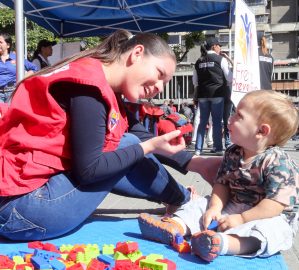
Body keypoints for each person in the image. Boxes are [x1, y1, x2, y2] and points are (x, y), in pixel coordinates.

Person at [0, 29, 222, 241]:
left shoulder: (95, 78)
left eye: (164, 83)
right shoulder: (90, 89)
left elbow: (140, 133)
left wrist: (197, 163)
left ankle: (181, 199)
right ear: (137, 53)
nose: (159, 88)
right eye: (159, 74)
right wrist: (146, 148)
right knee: (127, 146)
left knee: (128, 145)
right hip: (23, 209)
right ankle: (184, 201)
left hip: (15, 202)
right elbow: (91, 169)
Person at [139, 90, 299, 262]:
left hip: (267, 215)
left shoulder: (277, 161)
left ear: (261, 130)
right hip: (234, 206)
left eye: (239, 115)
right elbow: (221, 184)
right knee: (201, 204)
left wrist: (242, 219)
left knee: (273, 231)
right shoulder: (233, 153)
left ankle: (221, 244)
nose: (230, 118)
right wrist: (214, 208)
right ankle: (175, 226)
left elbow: (274, 205)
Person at [193, 37, 232, 156]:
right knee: (216, 121)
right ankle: (218, 148)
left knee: (202, 121)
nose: (220, 48)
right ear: (214, 46)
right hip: (217, 94)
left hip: (202, 95)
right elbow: (229, 78)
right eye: (219, 45)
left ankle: (198, 149)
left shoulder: (198, 61)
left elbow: (195, 81)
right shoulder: (220, 59)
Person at [0, 32, 38, 103]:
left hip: (12, 92)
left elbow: (34, 68)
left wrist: (22, 78)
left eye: (0, 42)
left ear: (8, 45)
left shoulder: (17, 58)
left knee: (11, 113)